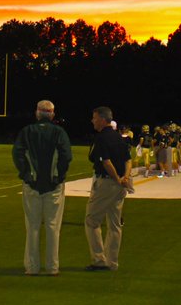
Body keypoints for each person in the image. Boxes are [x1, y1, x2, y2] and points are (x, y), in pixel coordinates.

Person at [12, 100, 72, 277]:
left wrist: (26, 174)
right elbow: (66, 156)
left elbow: (18, 154)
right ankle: (52, 267)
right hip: (53, 185)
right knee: (53, 227)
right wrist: (58, 176)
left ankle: (32, 267)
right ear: (52, 114)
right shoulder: (59, 132)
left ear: (37, 113)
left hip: (33, 184)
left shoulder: (27, 131)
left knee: (32, 226)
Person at [84, 105, 133, 271]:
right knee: (114, 224)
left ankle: (99, 260)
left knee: (92, 221)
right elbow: (128, 160)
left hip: (106, 183)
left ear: (103, 119)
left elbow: (106, 161)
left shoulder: (101, 138)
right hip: (119, 185)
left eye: (95, 117)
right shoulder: (119, 137)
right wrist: (125, 177)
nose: (92, 120)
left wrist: (117, 178)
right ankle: (112, 262)